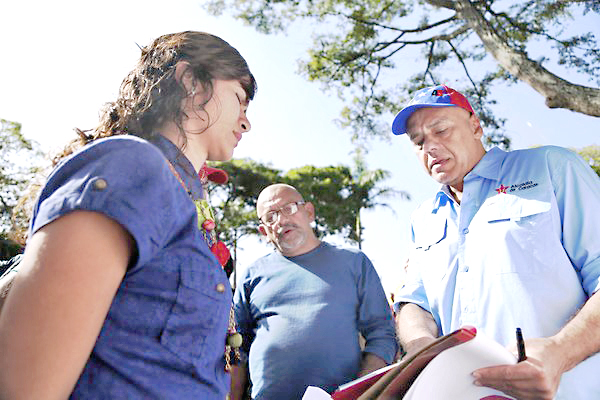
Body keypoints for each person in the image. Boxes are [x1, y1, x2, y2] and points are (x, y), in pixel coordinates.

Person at [0, 31, 256, 399]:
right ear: (192, 83)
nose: (246, 123)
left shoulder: (190, 211)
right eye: (240, 100)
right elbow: (24, 390)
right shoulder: (132, 164)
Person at [391, 84, 600, 399]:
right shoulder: (424, 218)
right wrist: (420, 345)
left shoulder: (551, 167)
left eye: (441, 131)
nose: (430, 147)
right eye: (418, 141)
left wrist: (559, 352)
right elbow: (413, 303)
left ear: (476, 126)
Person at [230, 183, 398, 400]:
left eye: (289, 208)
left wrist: (360, 394)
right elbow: (235, 349)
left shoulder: (355, 263)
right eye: (270, 216)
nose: (281, 220)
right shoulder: (251, 275)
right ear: (263, 231)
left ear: (309, 211)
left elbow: (382, 334)